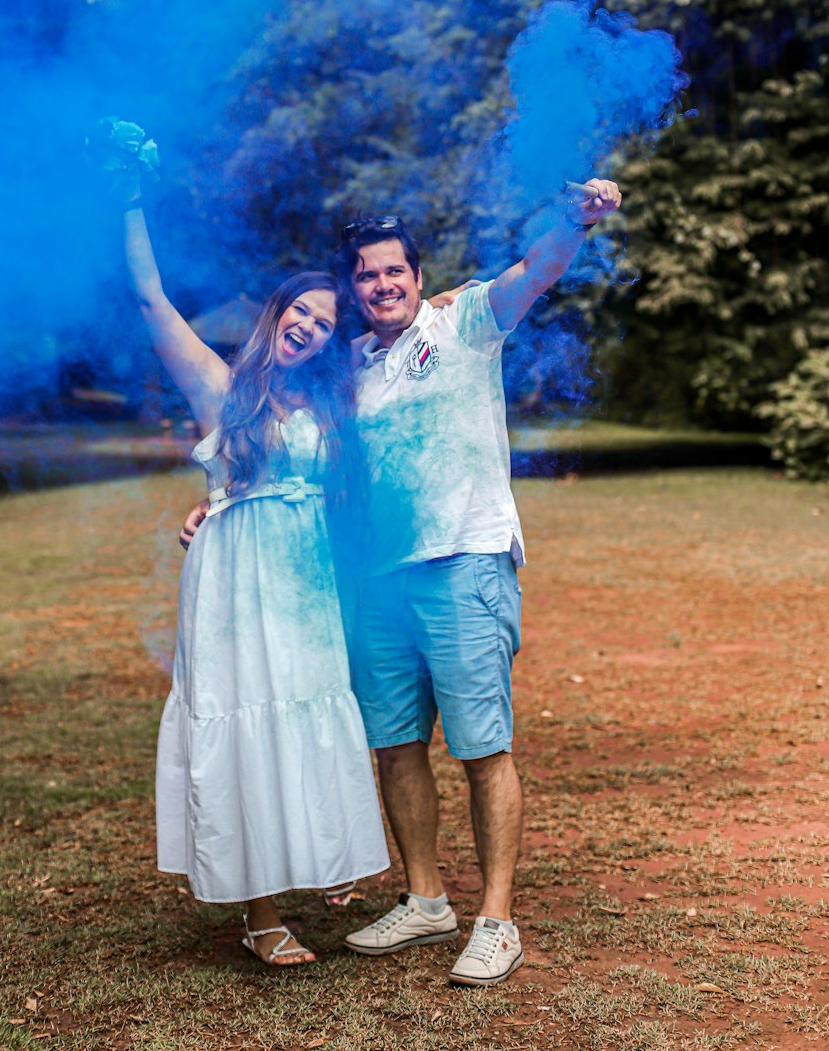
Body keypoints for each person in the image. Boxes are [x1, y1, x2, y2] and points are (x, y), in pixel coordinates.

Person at [334, 179, 622, 985]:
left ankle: (497, 918)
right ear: (352, 287)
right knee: (395, 746)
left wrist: (573, 218)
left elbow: (535, 271)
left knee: (482, 747)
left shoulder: (465, 321)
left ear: (418, 278)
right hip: (378, 581)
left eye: (395, 271)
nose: (382, 285)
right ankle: (425, 900)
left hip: (463, 563)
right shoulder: (352, 363)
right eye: (366, 274)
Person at [119, 188, 389, 966]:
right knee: (248, 719)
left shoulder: (335, 398)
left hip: (307, 576)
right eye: (301, 313)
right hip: (237, 580)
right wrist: (133, 197)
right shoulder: (219, 387)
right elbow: (150, 297)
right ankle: (261, 913)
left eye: (325, 323)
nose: (310, 327)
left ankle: (325, 859)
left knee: (308, 711)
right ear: (276, 314)